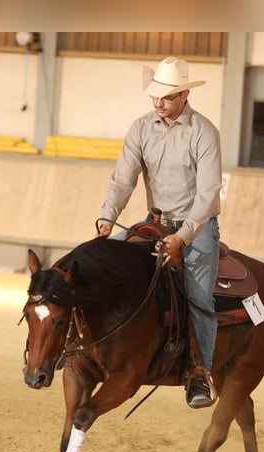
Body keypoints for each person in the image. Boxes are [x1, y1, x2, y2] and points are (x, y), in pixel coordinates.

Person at [96, 56, 222, 409]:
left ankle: (199, 372)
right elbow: (124, 178)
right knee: (104, 267)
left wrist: (183, 236)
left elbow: (209, 194)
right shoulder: (140, 128)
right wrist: (107, 217)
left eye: (165, 97)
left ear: (183, 95)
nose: (157, 102)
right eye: (154, 96)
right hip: (155, 221)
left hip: (196, 228)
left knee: (199, 297)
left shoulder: (204, 132)